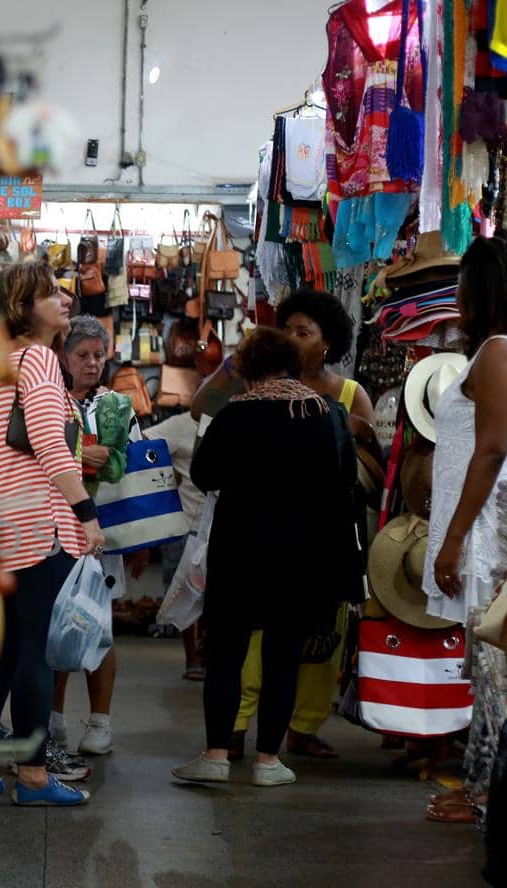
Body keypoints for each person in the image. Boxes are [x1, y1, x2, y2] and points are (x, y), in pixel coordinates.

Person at [172, 328, 358, 788]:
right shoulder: (326, 414)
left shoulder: (235, 416)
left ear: (249, 371)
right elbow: (345, 483)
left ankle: (216, 755)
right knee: (282, 656)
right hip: (302, 555)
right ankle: (269, 762)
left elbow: (204, 473)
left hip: (240, 550)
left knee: (227, 655)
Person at [0, 261, 105, 808]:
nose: (64, 299)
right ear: (24, 307)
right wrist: (87, 514)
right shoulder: (41, 359)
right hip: (38, 524)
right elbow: (48, 443)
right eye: (50, 294)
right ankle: (35, 778)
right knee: (35, 652)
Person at [232, 289, 371, 760]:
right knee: (255, 632)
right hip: (266, 530)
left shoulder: (350, 395)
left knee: (320, 634)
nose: (292, 338)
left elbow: (372, 463)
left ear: (327, 342)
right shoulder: (257, 387)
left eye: (304, 332)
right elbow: (204, 410)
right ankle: (235, 724)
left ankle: (304, 727)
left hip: (326, 532)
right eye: (286, 329)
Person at [425, 237, 507, 623]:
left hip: (490, 525)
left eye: (461, 284)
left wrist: (455, 537)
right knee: (495, 666)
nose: (457, 296)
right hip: (498, 517)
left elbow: (493, 450)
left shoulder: (499, 352)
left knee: (494, 661)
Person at [49, 315, 136, 760]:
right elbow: (44, 457)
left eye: (98, 355)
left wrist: (78, 456)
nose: (91, 363)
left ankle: (100, 720)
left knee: (99, 626)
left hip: (102, 531)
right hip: (52, 525)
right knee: (56, 624)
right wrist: (86, 455)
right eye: (82, 355)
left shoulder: (118, 406)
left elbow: (121, 466)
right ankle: (54, 718)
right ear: (64, 356)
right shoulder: (49, 398)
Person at [145, 407, 206, 679]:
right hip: (185, 525)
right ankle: (192, 659)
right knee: (184, 592)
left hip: (215, 525)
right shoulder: (183, 424)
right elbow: (142, 440)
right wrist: (166, 477)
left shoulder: (230, 420)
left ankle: (202, 657)